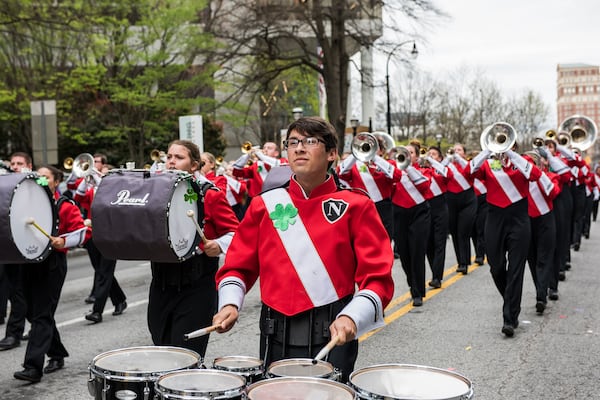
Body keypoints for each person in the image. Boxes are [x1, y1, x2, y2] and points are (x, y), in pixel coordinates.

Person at [212, 117, 394, 383]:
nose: (299, 148)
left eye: (310, 141)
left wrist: (353, 318)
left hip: (333, 331)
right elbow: (238, 265)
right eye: (293, 142)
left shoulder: (357, 205)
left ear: (332, 153)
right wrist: (229, 302)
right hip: (274, 332)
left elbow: (377, 277)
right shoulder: (264, 205)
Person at [148, 140, 239, 360]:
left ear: (194, 165)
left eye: (179, 158)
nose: (171, 161)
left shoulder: (210, 194)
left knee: (186, 355)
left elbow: (237, 233)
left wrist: (218, 245)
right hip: (160, 282)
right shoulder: (157, 193)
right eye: (169, 157)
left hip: (196, 283)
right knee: (161, 347)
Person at [14, 165, 90, 383]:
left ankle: (32, 367)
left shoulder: (64, 205)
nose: (39, 180)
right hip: (28, 262)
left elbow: (83, 233)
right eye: (36, 177)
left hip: (52, 264)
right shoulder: (25, 205)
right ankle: (57, 352)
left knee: (41, 315)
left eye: (45, 177)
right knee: (31, 311)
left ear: (56, 182)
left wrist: (64, 241)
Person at [466, 133, 545, 337]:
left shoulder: (523, 162)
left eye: (505, 145)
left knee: (516, 269)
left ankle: (509, 318)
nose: (501, 150)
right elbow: (469, 171)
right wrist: (488, 150)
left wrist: (510, 152)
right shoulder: (488, 164)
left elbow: (536, 175)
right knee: (497, 267)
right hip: (494, 219)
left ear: (514, 146)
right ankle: (510, 300)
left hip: (519, 219)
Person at [71, 156, 128, 323]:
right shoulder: (91, 190)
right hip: (92, 234)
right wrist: (86, 176)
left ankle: (97, 311)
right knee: (102, 272)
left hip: (111, 236)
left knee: (104, 273)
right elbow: (78, 198)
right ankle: (119, 300)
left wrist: (100, 178)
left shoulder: (118, 191)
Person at [391, 142, 432, 306]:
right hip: (399, 213)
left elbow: (424, 186)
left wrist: (407, 167)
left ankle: (418, 292)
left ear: (416, 156)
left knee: (417, 252)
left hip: (419, 212)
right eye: (403, 153)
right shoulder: (393, 171)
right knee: (404, 253)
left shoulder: (423, 170)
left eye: (410, 153)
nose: (407, 155)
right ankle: (412, 284)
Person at [0, 152, 33, 351]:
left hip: (26, 246)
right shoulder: (6, 185)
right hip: (8, 244)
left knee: (20, 292)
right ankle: (37, 329)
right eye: (12, 163)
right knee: (15, 291)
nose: (14, 166)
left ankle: (14, 333)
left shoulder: (32, 184)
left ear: (28, 165)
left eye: (19, 163)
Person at [444, 144, 477, 274]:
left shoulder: (467, 163)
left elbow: (471, 170)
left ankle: (464, 262)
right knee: (455, 232)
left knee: (463, 231)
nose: (456, 152)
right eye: (454, 150)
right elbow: (440, 168)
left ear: (464, 153)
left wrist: (458, 158)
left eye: (459, 150)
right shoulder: (447, 165)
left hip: (468, 200)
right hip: (451, 200)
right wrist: (449, 158)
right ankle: (460, 261)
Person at [422, 146, 450, 288]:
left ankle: (437, 277)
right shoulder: (423, 170)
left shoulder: (441, 169)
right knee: (428, 244)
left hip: (440, 207)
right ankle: (435, 271)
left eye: (434, 154)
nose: (430, 156)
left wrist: (432, 162)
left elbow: (447, 174)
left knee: (439, 242)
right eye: (429, 153)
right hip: (426, 208)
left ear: (439, 158)